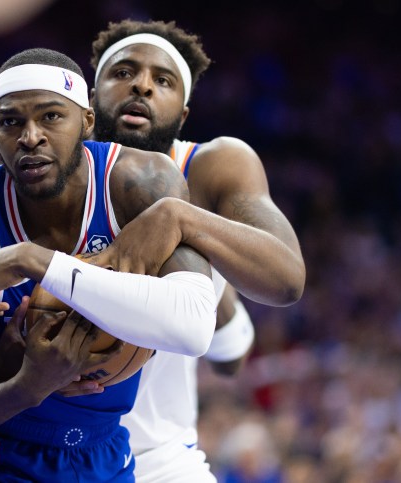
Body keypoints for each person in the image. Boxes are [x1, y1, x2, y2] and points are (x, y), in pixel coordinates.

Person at [0, 47, 222, 481]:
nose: (29, 136)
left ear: (87, 121)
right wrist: (27, 386)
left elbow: (195, 326)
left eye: (51, 116)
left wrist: (41, 264)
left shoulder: (141, 183)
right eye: (10, 121)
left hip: (105, 452)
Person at [87, 19, 306, 482]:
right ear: (90, 101)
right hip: (46, 451)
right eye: (123, 72)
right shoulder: (48, 171)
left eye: (162, 80)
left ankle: (215, 291)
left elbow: (287, 279)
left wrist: (179, 217)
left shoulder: (210, 164)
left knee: (229, 342)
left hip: (159, 460)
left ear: (182, 115)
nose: (142, 85)